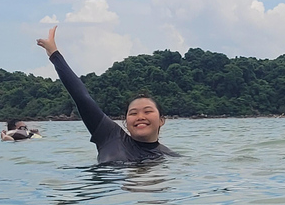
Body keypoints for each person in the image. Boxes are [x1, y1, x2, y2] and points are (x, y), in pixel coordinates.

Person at [36, 26, 178, 164]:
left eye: (147, 111)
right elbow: (82, 98)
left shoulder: (170, 158)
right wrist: (54, 54)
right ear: (125, 122)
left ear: (162, 120)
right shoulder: (110, 135)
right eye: (133, 113)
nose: (140, 117)